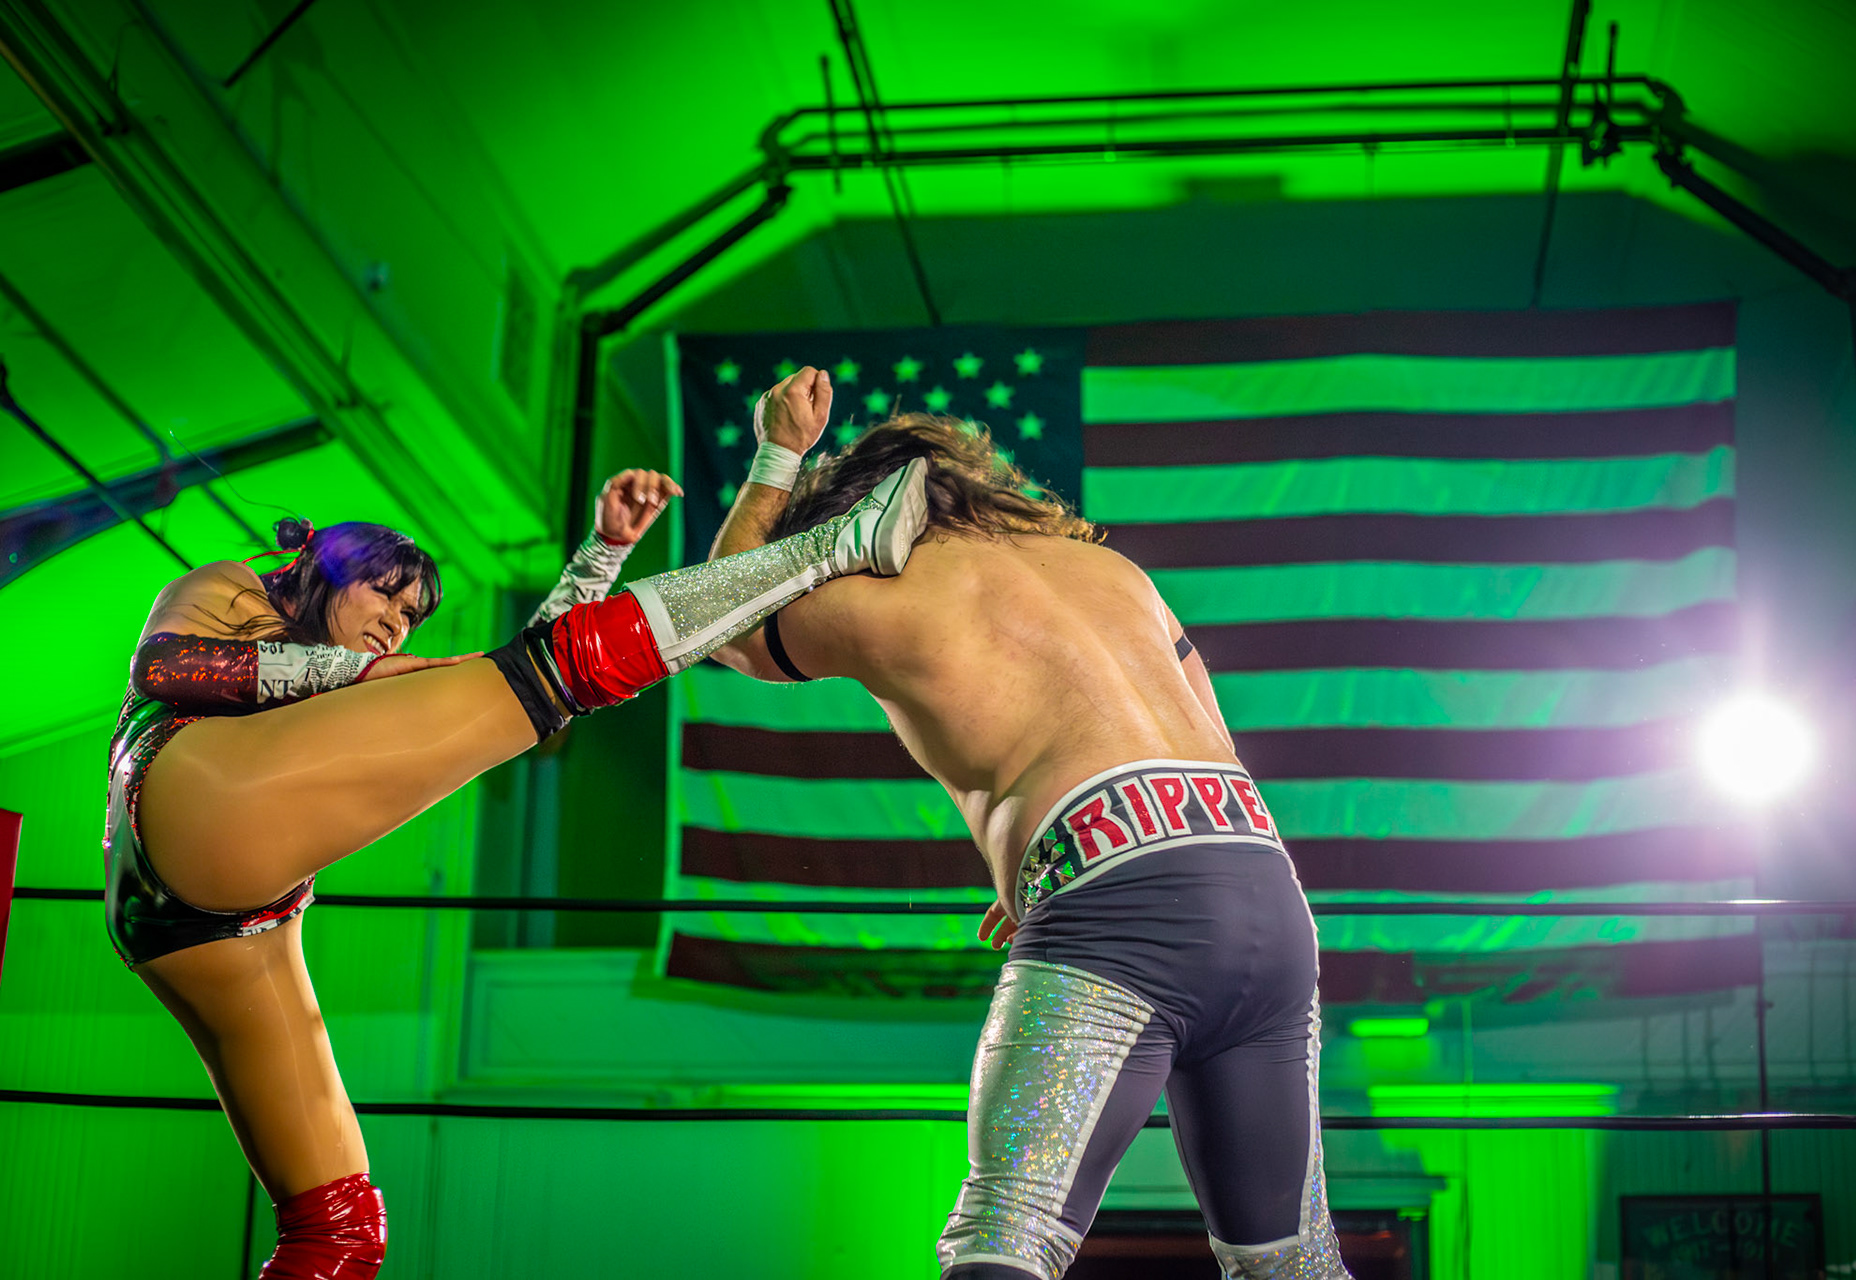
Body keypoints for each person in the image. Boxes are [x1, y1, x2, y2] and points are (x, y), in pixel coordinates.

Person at [107, 460, 928, 1278]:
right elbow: (164, 669)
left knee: (342, 1231)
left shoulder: (352, 688)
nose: (397, 623)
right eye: (385, 595)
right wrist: (372, 673)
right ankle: (834, 547)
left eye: (412, 615)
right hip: (186, 794)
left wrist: (603, 551)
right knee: (542, 680)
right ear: (327, 570)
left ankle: (830, 547)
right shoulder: (236, 589)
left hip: (212, 926)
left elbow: (522, 689)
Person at [710, 368, 1353, 1280]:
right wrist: (1067, 853)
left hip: (1123, 913)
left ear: (852, 518)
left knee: (1004, 1241)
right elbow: (1207, 733)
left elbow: (722, 617)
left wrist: (777, 455)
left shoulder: (883, 597)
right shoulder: (1116, 574)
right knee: (1291, 1263)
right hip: (1262, 885)